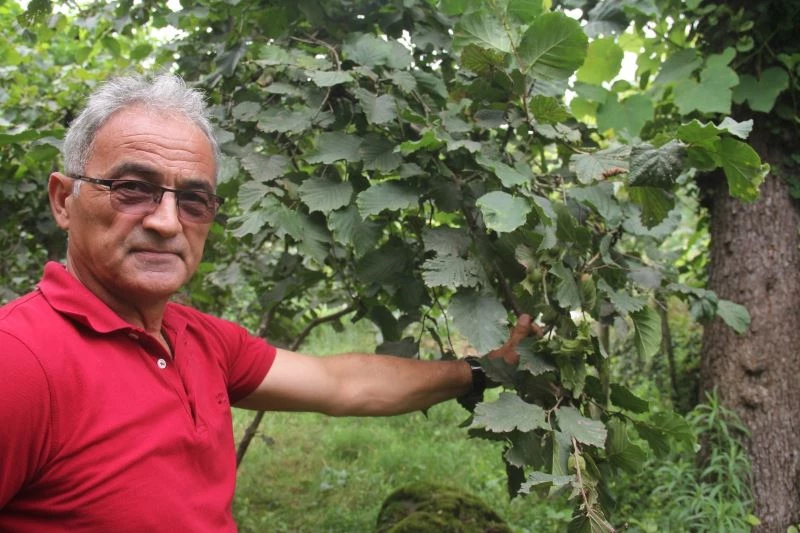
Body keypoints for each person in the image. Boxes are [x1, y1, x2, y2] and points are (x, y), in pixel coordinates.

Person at [0, 74, 537, 531]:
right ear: (63, 200)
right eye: (133, 188)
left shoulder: (200, 340)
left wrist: (484, 370)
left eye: (193, 200)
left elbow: (342, 383)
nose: (166, 222)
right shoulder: (19, 363)